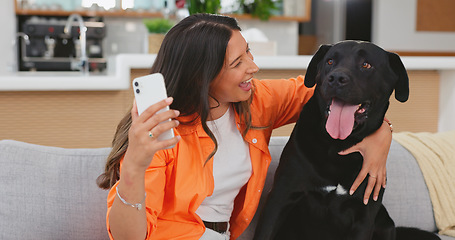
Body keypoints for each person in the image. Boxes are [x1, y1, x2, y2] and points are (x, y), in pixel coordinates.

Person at [96, 13, 391, 240]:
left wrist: (382, 135)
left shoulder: (256, 101)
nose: (253, 66)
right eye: (238, 62)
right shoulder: (161, 132)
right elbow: (128, 237)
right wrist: (133, 166)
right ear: (202, 76)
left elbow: (338, 94)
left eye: (248, 52)